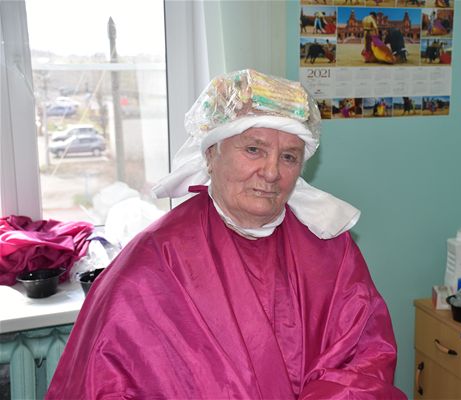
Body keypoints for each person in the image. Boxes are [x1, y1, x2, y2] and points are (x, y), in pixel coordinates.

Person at [46, 69, 407, 399]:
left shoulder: (331, 253)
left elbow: (366, 360)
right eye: (254, 149)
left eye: (289, 157)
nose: (271, 172)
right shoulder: (154, 262)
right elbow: (102, 381)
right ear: (211, 153)